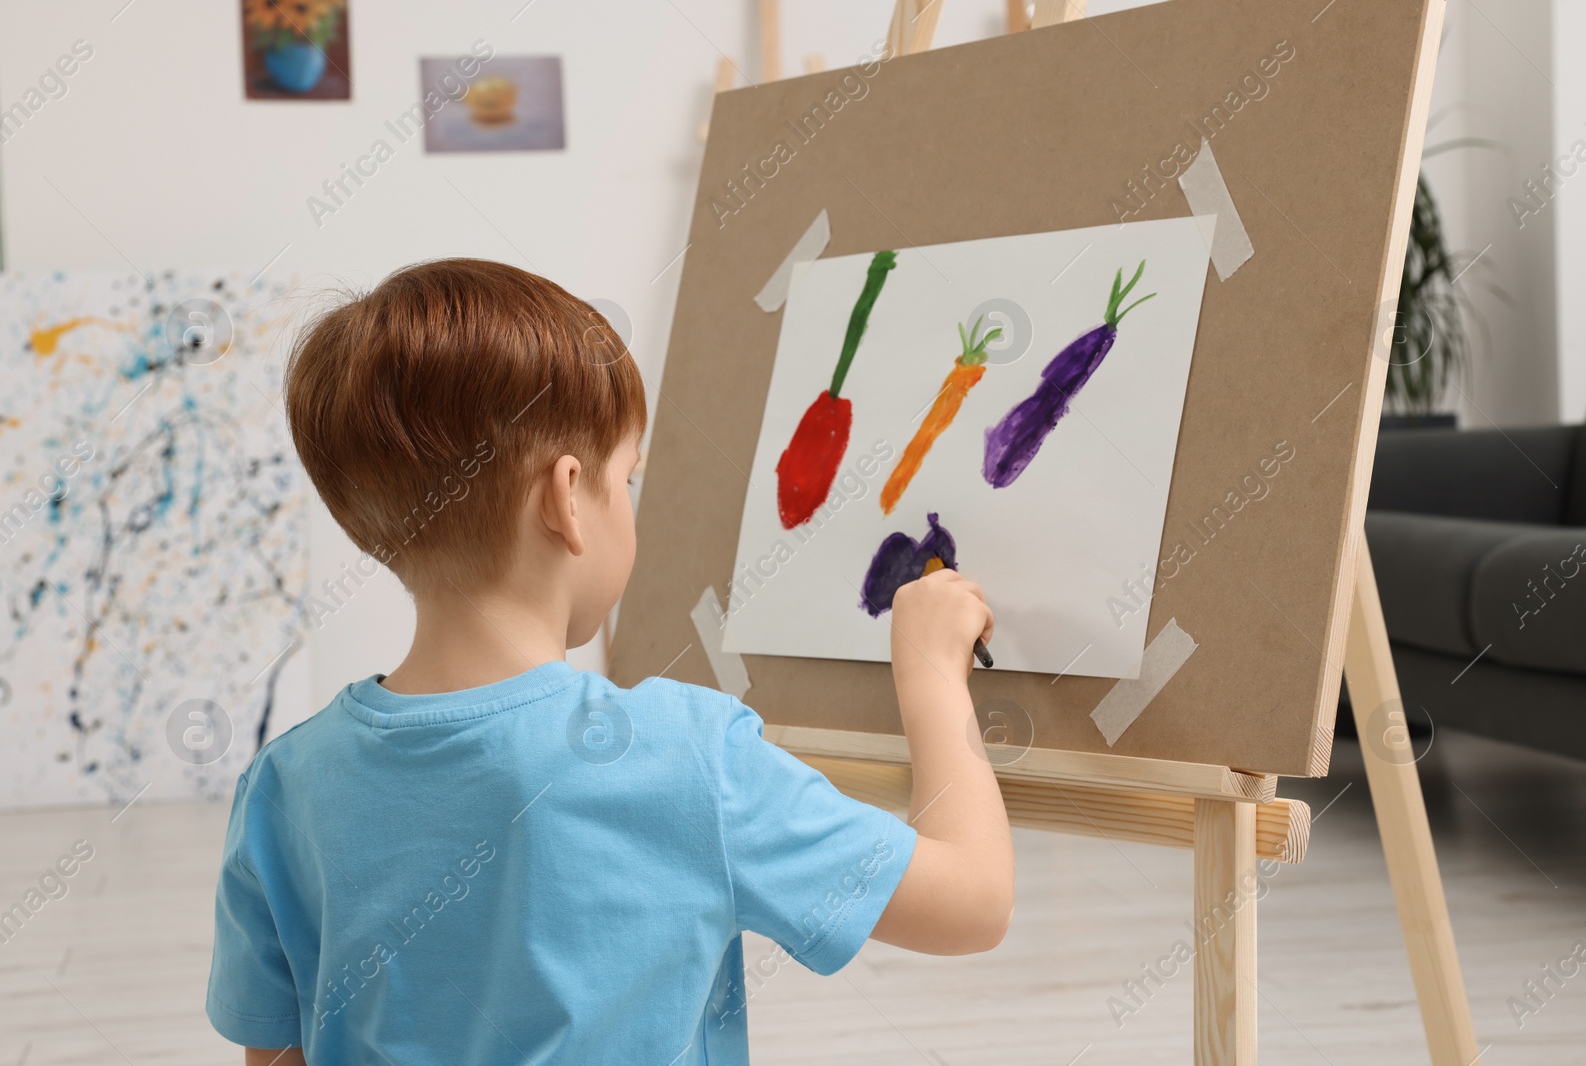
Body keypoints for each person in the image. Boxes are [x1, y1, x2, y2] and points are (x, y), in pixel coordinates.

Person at [206, 258, 1012, 1064]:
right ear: (565, 497)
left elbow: (277, 1055)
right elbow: (973, 902)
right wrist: (934, 678)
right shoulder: (685, 755)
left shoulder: (285, 784)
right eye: (628, 476)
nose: (631, 496)